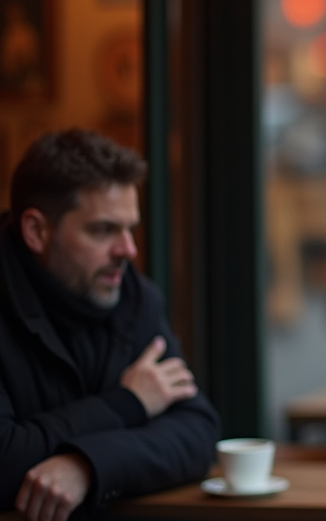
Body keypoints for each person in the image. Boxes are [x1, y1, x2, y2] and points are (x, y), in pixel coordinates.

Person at [1, 129, 219, 520]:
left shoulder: (134, 298)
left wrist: (86, 465)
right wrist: (127, 405)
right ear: (36, 231)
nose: (128, 251)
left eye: (129, 228)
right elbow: (4, 460)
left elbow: (196, 432)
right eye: (103, 230)